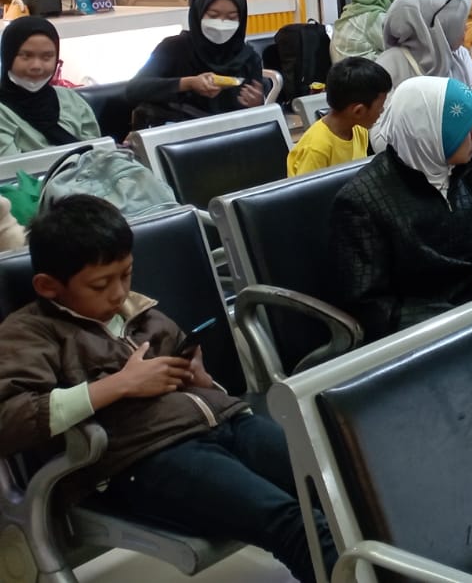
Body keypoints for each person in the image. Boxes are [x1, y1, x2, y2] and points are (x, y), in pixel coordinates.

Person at [0, 196, 338, 583]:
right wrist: (118, 385)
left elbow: (195, 387)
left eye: (126, 274)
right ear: (48, 286)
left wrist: (200, 378)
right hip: (144, 459)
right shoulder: (29, 332)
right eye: (100, 284)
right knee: (292, 523)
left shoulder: (141, 312)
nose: (117, 293)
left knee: (338, 490)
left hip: (223, 423)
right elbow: (8, 418)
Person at [330, 76, 472, 343]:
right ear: (426, 133)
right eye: (462, 127)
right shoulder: (361, 203)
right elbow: (370, 305)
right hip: (428, 335)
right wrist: (454, 321)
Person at [127, 0, 266, 127]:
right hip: (175, 134)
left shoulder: (248, 58)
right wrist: (188, 83)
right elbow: (134, 89)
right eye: (213, 15)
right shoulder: (174, 48)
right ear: (199, 12)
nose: (222, 23)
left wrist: (257, 104)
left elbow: (255, 115)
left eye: (231, 17)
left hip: (230, 137)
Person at [0, 18, 100, 155]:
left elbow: (98, 154)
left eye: (47, 57)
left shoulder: (71, 100)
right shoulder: (3, 112)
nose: (36, 66)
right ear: (8, 56)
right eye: (26, 56)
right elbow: (10, 169)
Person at [287, 57, 390, 176]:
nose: (382, 110)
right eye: (380, 106)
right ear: (358, 111)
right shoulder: (316, 149)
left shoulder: (359, 129)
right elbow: (306, 193)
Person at [375, 0, 472, 93]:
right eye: (459, 22)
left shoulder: (458, 56)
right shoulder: (390, 64)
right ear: (438, 27)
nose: (466, 27)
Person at [329, 0, 403, 63]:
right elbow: (404, 46)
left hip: (344, 75)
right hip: (364, 76)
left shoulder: (351, 12)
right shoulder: (374, 18)